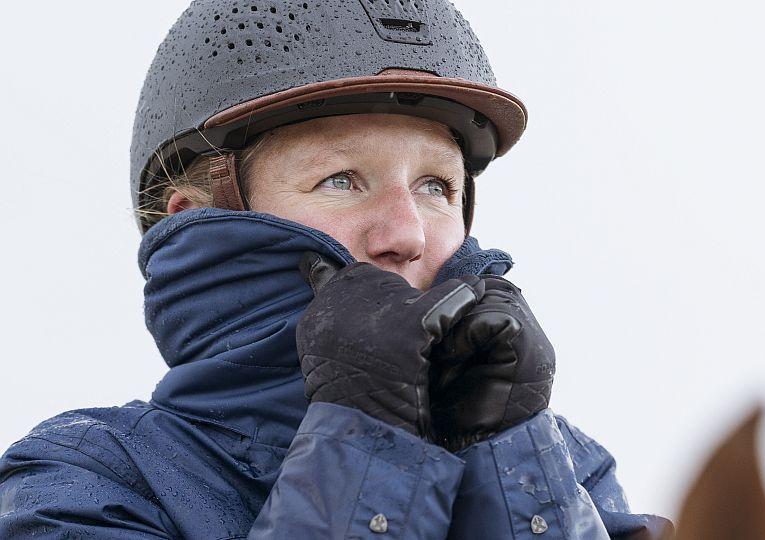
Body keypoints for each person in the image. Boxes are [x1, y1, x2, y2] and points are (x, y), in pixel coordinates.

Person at [0, 1, 673, 538]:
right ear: (192, 219)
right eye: (342, 179)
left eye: (437, 186)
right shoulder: (81, 483)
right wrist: (366, 442)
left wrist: (511, 463)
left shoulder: (569, 473)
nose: (407, 233)